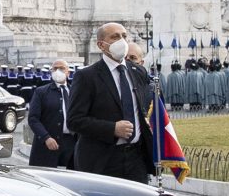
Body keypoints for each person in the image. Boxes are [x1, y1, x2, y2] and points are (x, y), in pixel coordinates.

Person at [67, 23, 155, 182]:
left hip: (136, 159)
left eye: (124, 36)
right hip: (102, 160)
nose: (122, 41)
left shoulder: (138, 72)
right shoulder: (87, 76)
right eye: (115, 37)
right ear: (101, 45)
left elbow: (142, 108)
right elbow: (74, 121)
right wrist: (112, 129)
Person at [27, 61, 75, 169]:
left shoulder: (75, 92)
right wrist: (46, 137)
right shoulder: (41, 92)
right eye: (54, 68)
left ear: (68, 72)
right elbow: (33, 118)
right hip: (47, 144)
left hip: (71, 143)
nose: (58, 71)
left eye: (62, 68)